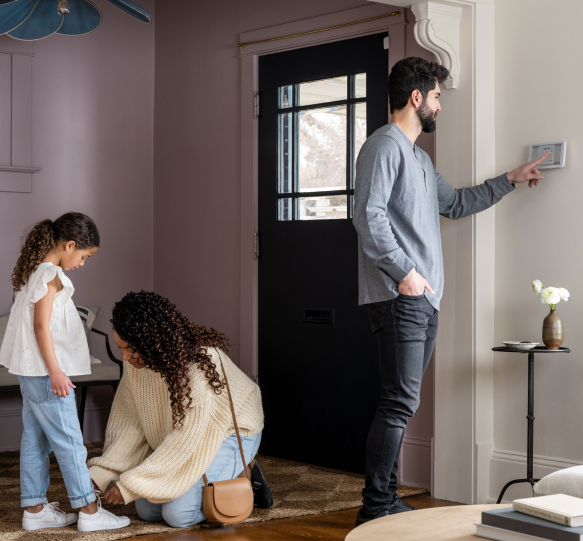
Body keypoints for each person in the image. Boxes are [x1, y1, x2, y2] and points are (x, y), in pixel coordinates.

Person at [352, 57, 551, 527]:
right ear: (417, 98)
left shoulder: (419, 159)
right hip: (400, 295)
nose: (440, 105)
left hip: (423, 299)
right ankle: (374, 505)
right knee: (398, 402)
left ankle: (382, 500)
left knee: (401, 402)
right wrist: (406, 273)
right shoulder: (383, 147)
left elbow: (457, 203)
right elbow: (368, 216)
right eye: (437, 96)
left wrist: (512, 180)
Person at [87, 291, 272, 528]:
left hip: (230, 431)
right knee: (146, 509)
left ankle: (245, 470)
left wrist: (130, 484)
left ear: (151, 341)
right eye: (120, 347)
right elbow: (130, 425)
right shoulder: (134, 366)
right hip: (191, 436)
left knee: (178, 515)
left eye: (129, 348)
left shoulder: (197, 363)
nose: (124, 357)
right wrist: (102, 475)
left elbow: (187, 438)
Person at [0, 212, 130, 532]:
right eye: (83, 256)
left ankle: (35, 509)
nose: (82, 263)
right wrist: (56, 372)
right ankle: (89, 510)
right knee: (70, 441)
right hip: (46, 374)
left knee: (36, 440)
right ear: (69, 245)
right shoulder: (50, 275)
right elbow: (41, 326)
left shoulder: (35, 272)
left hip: (32, 372)